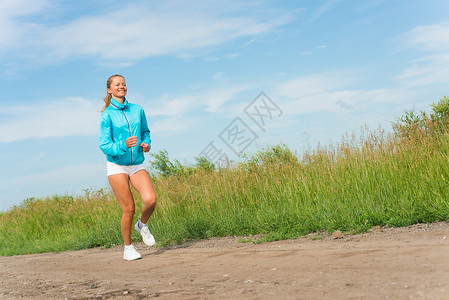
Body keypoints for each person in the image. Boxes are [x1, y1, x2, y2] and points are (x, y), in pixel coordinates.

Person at [99, 74, 157, 261]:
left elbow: (145, 132)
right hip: (116, 166)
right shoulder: (107, 115)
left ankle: (142, 225)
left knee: (150, 200)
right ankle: (128, 248)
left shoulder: (137, 110)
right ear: (110, 90)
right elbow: (105, 145)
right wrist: (124, 145)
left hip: (136, 164)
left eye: (123, 83)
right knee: (129, 208)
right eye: (117, 84)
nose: (121, 86)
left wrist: (146, 144)